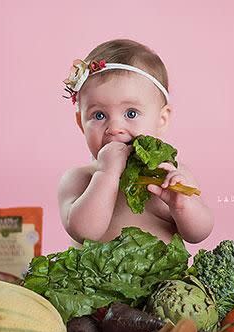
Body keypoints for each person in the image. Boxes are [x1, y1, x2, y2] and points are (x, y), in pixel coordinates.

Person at [58, 39, 213, 246]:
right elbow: (85, 232)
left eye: (131, 113)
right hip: (96, 278)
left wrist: (182, 205)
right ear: (81, 123)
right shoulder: (79, 179)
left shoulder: (171, 175)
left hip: (162, 279)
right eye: (99, 115)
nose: (114, 128)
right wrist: (107, 174)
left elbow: (199, 233)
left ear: (161, 119)